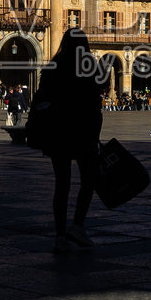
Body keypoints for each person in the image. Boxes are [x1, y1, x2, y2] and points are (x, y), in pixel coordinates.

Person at [37, 28, 110, 252]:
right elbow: (100, 89)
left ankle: (60, 234)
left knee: (62, 185)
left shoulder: (54, 65)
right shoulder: (87, 65)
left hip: (59, 131)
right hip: (83, 131)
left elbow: (41, 96)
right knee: (89, 180)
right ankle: (78, 225)